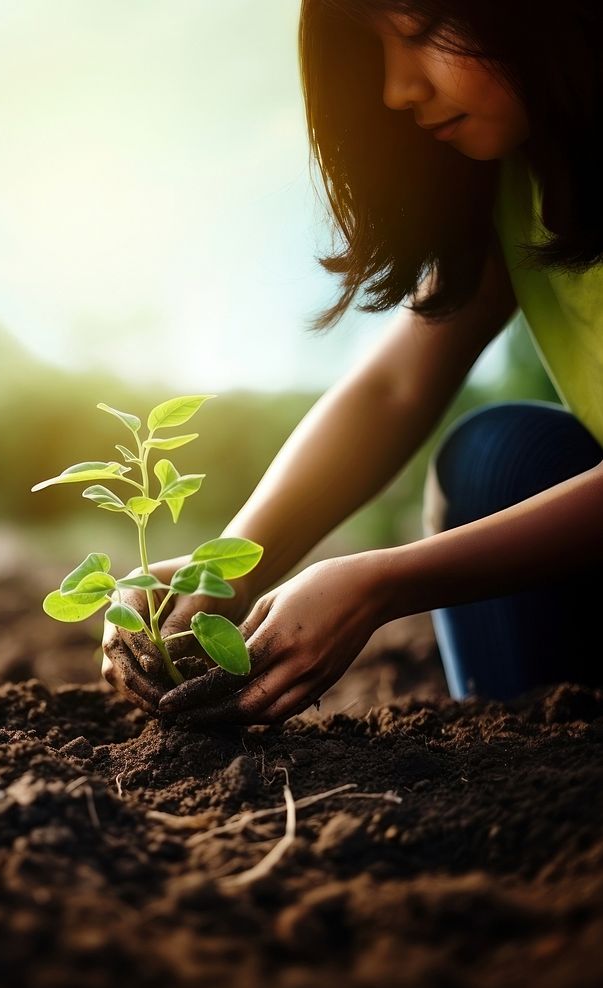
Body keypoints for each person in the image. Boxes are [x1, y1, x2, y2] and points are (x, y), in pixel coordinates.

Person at [102, 0, 603, 723]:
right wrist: (230, 562)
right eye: (377, 54)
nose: (396, 89)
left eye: (420, 35)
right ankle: (544, 755)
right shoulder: (510, 179)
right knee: (496, 458)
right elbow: (394, 387)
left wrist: (381, 582)